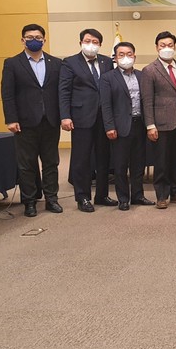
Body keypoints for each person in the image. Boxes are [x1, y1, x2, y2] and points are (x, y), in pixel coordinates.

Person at [1, 24, 63, 217]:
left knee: (51, 162)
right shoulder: (12, 63)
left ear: (44, 40)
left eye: (37, 37)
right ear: (22, 40)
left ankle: (52, 199)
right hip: (24, 123)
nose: (34, 40)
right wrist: (11, 119)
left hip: (50, 121)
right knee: (26, 165)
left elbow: (61, 93)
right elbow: (8, 94)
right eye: (29, 37)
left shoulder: (56, 63)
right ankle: (29, 201)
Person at [59, 28, 115, 212]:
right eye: (87, 41)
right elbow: (64, 91)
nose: (91, 45)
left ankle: (102, 195)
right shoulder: (70, 62)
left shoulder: (107, 61)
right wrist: (65, 116)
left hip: (104, 117)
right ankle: (82, 197)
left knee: (104, 158)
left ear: (100, 44)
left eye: (95, 42)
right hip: (81, 117)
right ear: (81, 43)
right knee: (81, 159)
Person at [99, 42, 153, 211]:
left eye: (129, 54)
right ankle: (123, 198)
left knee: (139, 163)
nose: (126, 57)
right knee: (121, 165)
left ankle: (138, 195)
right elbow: (106, 105)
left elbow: (147, 101)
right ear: (115, 58)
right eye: (121, 54)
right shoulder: (108, 78)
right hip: (120, 126)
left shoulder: (142, 75)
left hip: (140, 124)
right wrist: (109, 126)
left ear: (134, 56)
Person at [141, 31, 176, 209]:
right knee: (161, 162)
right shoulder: (149, 70)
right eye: (163, 45)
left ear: (175, 47)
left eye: (170, 45)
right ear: (157, 47)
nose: (167, 48)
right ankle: (162, 195)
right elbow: (147, 100)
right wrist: (150, 125)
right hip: (160, 123)